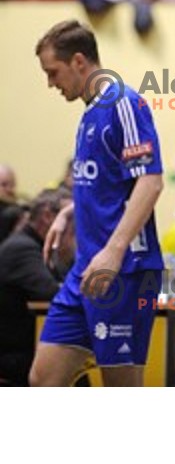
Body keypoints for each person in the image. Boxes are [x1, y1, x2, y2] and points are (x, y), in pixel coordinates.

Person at [30, 20, 164, 387]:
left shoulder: (123, 103)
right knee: (42, 379)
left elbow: (150, 182)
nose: (50, 83)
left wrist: (113, 252)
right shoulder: (90, 112)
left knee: (120, 387)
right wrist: (70, 211)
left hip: (123, 271)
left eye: (52, 72)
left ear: (77, 61)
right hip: (85, 270)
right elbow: (109, 185)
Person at [0, 188, 73, 386]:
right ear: (48, 216)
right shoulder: (21, 248)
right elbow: (53, 292)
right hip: (13, 353)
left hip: (27, 344)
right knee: (74, 362)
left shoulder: (38, 246)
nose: (75, 226)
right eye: (70, 218)